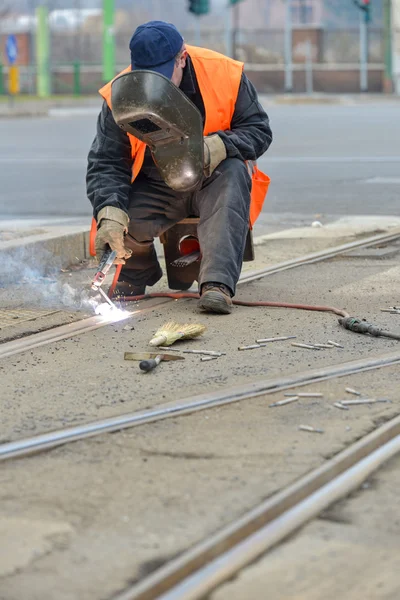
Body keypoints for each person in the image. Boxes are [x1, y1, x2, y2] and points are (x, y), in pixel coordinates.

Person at [87, 20, 272, 314]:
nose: (154, 83)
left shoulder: (223, 73)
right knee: (122, 216)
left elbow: (259, 131)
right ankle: (138, 271)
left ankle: (216, 284)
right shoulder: (120, 95)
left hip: (216, 177)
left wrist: (220, 146)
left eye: (161, 75)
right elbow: (107, 161)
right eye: (146, 75)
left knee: (234, 173)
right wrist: (109, 214)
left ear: (181, 58)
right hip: (158, 183)